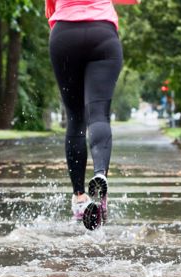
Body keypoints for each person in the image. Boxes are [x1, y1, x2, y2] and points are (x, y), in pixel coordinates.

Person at [45, 0, 127, 224]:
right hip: (103, 35)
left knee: (75, 118)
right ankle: (100, 175)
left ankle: (80, 197)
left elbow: (50, 10)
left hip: (64, 36)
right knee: (98, 114)